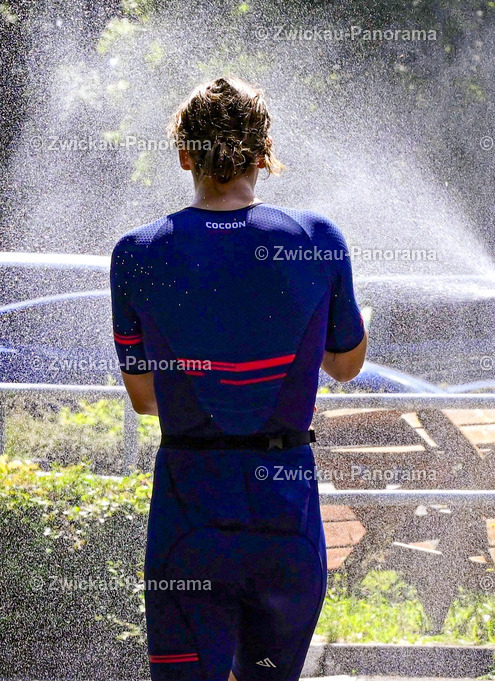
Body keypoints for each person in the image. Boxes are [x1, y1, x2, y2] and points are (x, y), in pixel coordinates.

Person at [110, 76, 367, 681]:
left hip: (189, 505)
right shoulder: (316, 241)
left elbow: (145, 400)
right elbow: (347, 365)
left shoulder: (137, 252)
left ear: (184, 155)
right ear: (262, 154)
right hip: (285, 509)